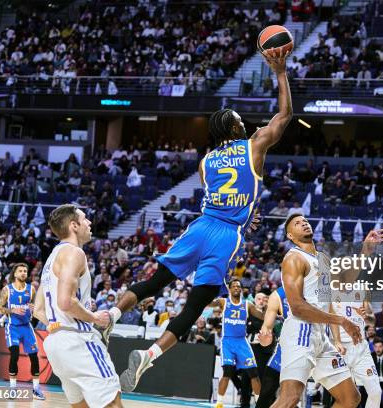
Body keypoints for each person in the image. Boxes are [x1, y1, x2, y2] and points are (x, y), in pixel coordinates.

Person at [105, 49, 293, 392]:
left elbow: (216, 188)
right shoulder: (253, 145)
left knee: (156, 279)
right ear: (236, 127)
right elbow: (284, 115)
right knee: (195, 305)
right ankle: (148, 355)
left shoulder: (206, 162)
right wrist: (280, 71)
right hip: (225, 234)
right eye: (241, 121)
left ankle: (110, 317)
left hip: (200, 226)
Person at [270, 213, 383, 408]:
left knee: (351, 398)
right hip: (300, 332)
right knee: (290, 398)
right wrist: (340, 320)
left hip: (320, 336)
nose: (304, 224)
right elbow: (297, 307)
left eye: (305, 221)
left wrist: (365, 252)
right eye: (297, 224)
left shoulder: (321, 258)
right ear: (290, 235)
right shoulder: (294, 259)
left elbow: (344, 283)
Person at [33, 204, 121, 407]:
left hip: (56, 343)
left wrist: (60, 321)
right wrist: (94, 317)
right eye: (85, 219)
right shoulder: (74, 253)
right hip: (78, 340)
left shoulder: (51, 258)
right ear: (74, 225)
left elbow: (38, 309)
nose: (89, 223)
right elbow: (66, 302)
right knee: (112, 402)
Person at [210, 279, 264, 408]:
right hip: (227, 342)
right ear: (229, 289)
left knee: (254, 374)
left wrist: (274, 312)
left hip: (242, 342)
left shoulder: (247, 304)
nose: (236, 288)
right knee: (227, 372)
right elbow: (210, 303)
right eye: (233, 286)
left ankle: (260, 403)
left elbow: (261, 316)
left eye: (238, 286)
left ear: (241, 289)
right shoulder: (224, 302)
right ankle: (219, 403)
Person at [0, 263, 44, 399]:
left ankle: (36, 389)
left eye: (25, 271)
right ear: (15, 273)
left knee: (34, 357)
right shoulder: (7, 290)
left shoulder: (31, 289)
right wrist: (12, 310)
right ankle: (12, 388)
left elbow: (35, 308)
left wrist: (34, 307)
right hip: (13, 327)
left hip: (27, 327)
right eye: (20, 271)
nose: (23, 273)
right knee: (15, 354)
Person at [330, 292, 382, 408]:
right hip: (340, 348)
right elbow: (328, 316)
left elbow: (372, 321)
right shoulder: (330, 286)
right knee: (346, 399)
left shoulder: (363, 288)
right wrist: (337, 341)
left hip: (360, 347)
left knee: (376, 392)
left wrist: (365, 316)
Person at [258, 287, 290, 408]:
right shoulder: (278, 295)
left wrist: (338, 340)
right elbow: (266, 328)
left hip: (317, 345)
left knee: (348, 397)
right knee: (267, 391)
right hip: (287, 347)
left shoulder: (320, 285)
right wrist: (265, 338)